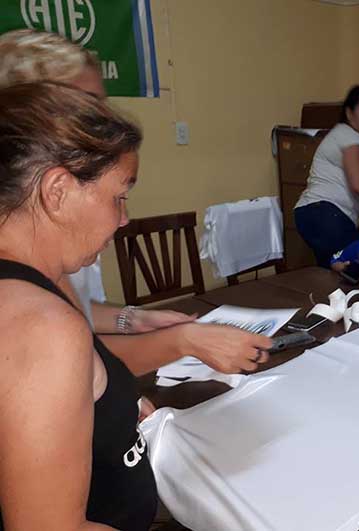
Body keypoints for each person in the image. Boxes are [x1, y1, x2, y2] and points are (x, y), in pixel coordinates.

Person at [0, 29, 272, 379]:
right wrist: (180, 342)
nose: (104, 121)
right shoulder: (32, 308)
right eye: (89, 107)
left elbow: (78, 323)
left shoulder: (45, 244)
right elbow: (66, 350)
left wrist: (132, 320)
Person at [0, 82, 162, 530]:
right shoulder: (43, 326)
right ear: (57, 191)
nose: (123, 219)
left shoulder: (36, 287)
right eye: (119, 197)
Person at [294, 85, 359, 267]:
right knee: (354, 268)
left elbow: (357, 178)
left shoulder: (339, 134)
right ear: (349, 112)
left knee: (331, 270)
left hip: (308, 212)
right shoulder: (351, 136)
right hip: (328, 214)